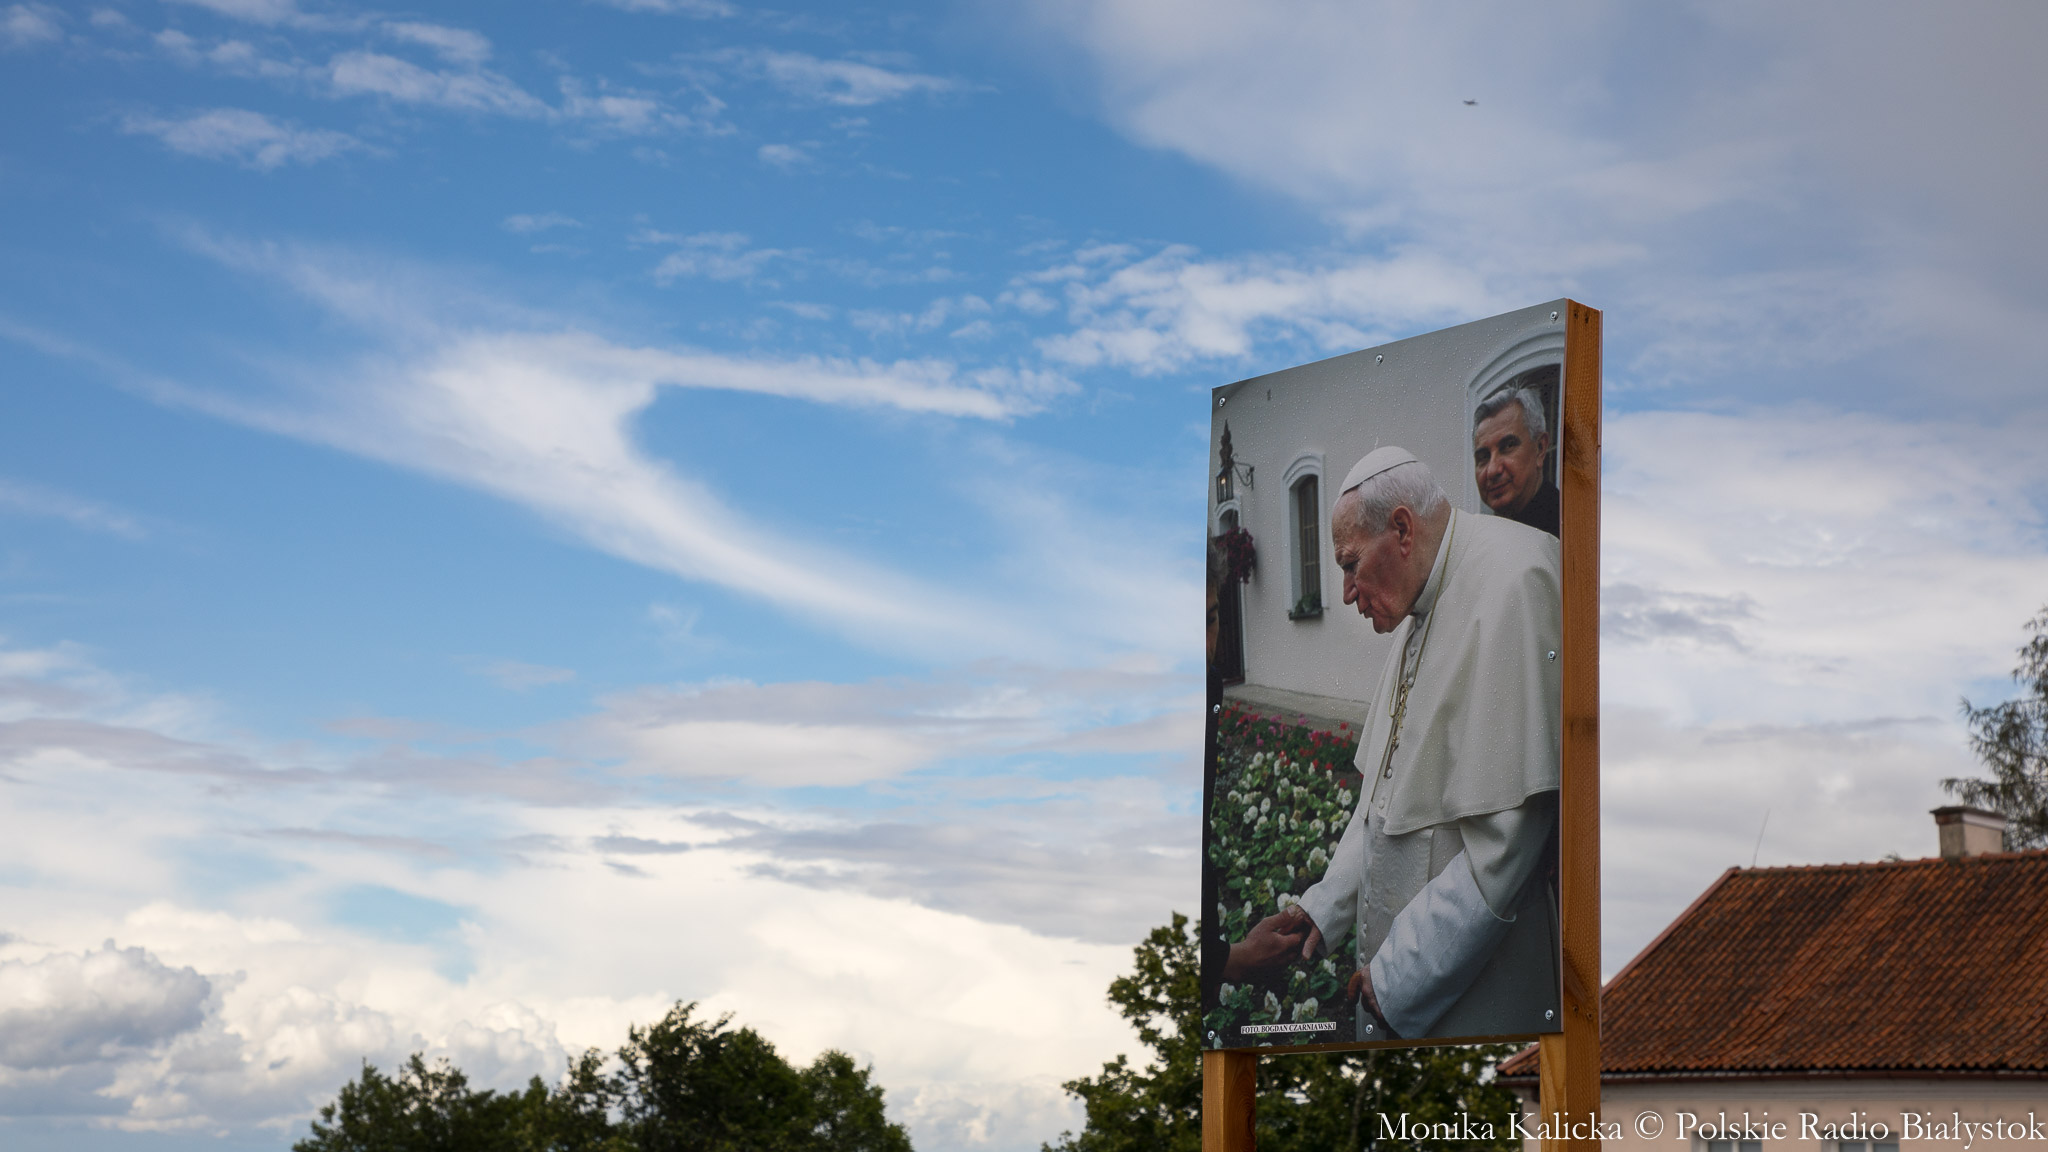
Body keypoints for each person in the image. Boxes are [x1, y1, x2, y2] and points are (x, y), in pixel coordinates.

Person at [1260, 447, 1561, 1041]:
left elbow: (1506, 845)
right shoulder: (1421, 598)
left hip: (1475, 1004)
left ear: (1401, 529)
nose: (1347, 592)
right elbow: (1383, 800)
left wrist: (1398, 975)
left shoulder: (1516, 581)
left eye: (1351, 565)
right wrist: (1325, 907)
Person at [1472, 388, 1559, 537]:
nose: (1492, 470)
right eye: (1484, 457)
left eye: (1508, 446)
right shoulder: (1484, 537)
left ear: (1540, 448)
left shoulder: (1568, 528)